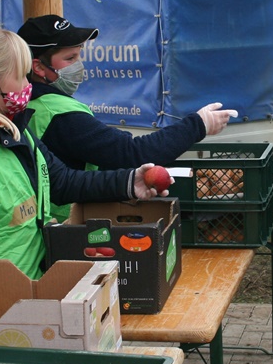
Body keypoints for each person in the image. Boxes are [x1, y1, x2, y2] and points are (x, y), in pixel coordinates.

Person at [0, 24, 165, 278]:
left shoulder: (15, 132)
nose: (27, 85)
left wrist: (130, 182)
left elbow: (62, 181)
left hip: (32, 289)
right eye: (22, 76)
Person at [16, 14, 236, 223]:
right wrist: (198, 125)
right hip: (66, 222)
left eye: (79, 56)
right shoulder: (58, 113)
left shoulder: (27, 104)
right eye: (70, 58)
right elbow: (132, 153)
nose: (78, 65)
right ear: (39, 67)